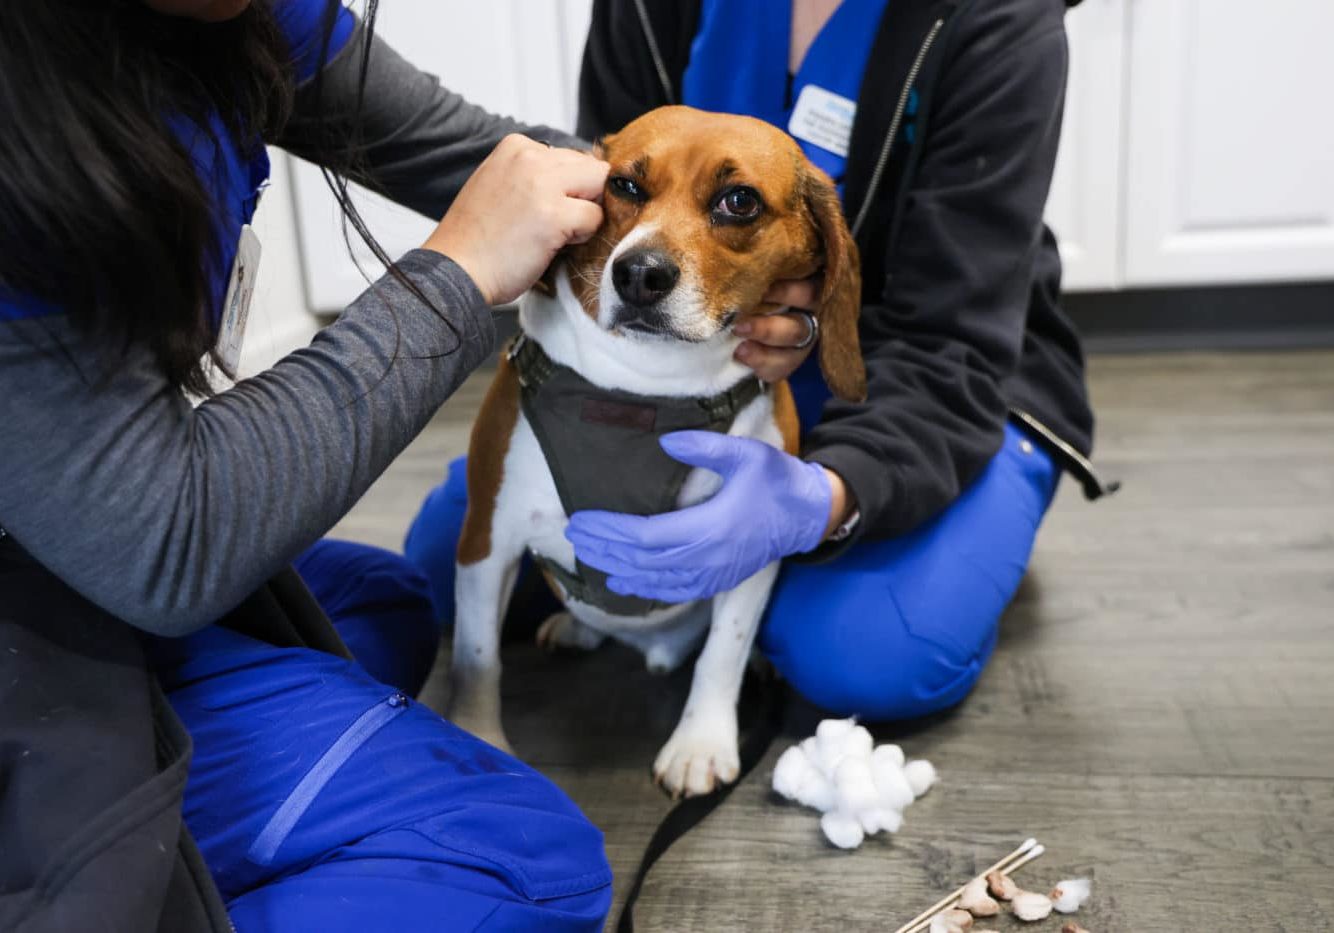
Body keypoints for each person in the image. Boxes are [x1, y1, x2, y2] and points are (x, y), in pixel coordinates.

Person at [0, 1, 614, 930]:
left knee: (385, 606)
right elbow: (171, 541)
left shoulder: (237, 14)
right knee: (535, 866)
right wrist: (460, 277)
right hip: (49, 627)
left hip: (77, 557)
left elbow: (479, 156)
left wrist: (692, 234)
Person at [406, 0, 1113, 722]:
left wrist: (825, 501)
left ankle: (943, 529)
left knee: (866, 651)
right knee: (428, 570)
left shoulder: (1002, 20)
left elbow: (953, 339)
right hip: (680, 367)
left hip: (935, 382)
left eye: (738, 202)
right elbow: (604, 217)